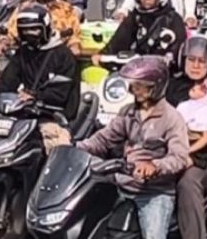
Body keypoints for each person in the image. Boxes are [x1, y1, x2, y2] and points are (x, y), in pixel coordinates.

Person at [77, 56, 191, 239]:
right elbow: (104, 139)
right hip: (121, 185)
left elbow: (179, 157)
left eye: (141, 85)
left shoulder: (172, 118)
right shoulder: (128, 112)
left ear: (156, 86)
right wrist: (75, 147)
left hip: (154, 193)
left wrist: (155, 166)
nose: (134, 90)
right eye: (133, 85)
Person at [0, 4, 78, 151]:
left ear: (46, 28)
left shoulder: (64, 56)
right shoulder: (23, 53)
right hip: (23, 117)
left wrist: (34, 96)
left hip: (53, 119)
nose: (30, 34)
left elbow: (60, 95)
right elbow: (6, 83)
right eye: (25, 31)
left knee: (57, 153)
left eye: (34, 29)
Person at [168, 36, 207, 239]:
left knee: (187, 183)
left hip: (201, 160)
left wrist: (189, 149)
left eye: (202, 61)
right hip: (166, 152)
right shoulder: (170, 86)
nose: (196, 65)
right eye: (191, 59)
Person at [96, 0, 187, 68]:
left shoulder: (173, 19)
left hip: (163, 75)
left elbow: (178, 54)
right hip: (135, 71)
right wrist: (103, 54)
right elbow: (119, 40)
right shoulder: (135, 16)